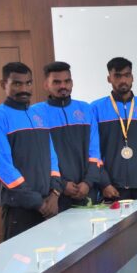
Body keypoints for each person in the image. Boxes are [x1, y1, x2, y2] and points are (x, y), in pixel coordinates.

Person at [0, 62, 61, 239]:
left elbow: (52, 156)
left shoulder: (38, 115)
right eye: (17, 84)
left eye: (28, 83)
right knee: (20, 265)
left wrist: (55, 193)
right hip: (20, 210)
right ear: (4, 84)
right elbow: (3, 167)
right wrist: (37, 202)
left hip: (49, 205)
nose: (24, 89)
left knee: (50, 261)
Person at [30, 61, 101, 211]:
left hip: (87, 191)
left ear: (72, 83)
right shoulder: (35, 114)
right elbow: (38, 158)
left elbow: (95, 152)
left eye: (67, 81)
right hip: (55, 195)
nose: (63, 86)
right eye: (56, 82)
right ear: (46, 85)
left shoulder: (86, 109)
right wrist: (62, 185)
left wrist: (88, 183)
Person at [91, 57, 137, 200]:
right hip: (112, 186)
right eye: (117, 76)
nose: (123, 80)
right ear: (109, 78)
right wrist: (104, 183)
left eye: (127, 75)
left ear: (132, 77)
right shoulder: (96, 108)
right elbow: (94, 151)